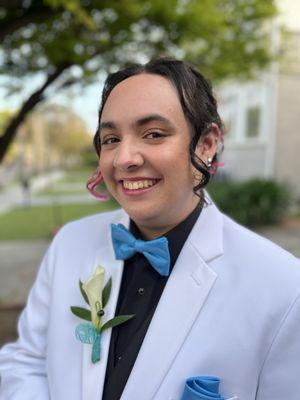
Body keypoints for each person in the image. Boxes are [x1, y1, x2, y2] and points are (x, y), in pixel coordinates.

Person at [0, 58, 300, 400]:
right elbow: (26, 360)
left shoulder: (285, 289)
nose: (124, 158)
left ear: (206, 143)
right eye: (111, 138)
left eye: (153, 134)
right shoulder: (69, 243)